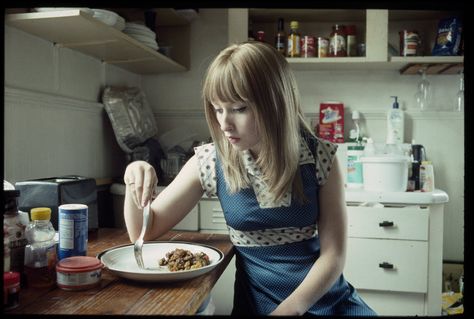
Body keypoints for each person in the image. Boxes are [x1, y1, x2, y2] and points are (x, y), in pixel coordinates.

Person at [123, 41, 377, 316]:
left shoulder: (321, 157)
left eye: (239, 108)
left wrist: (291, 310)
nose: (224, 124)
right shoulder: (209, 161)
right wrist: (134, 175)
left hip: (324, 300)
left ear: (275, 104)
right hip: (259, 305)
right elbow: (142, 232)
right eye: (218, 109)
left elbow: (333, 257)